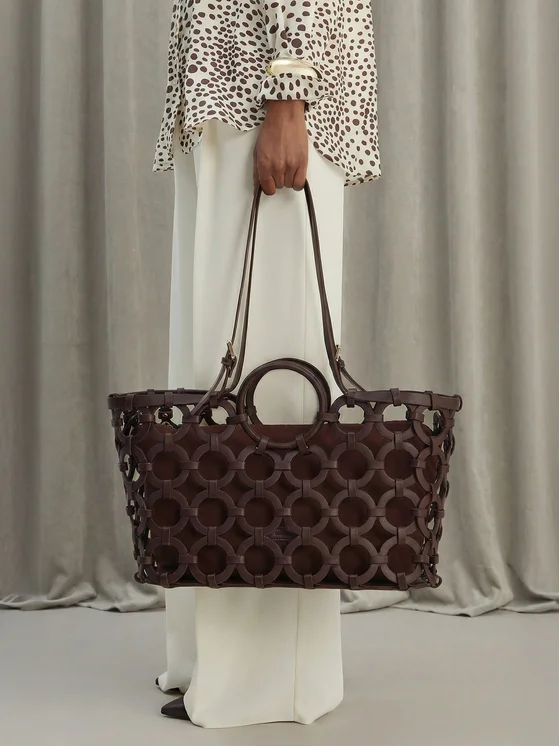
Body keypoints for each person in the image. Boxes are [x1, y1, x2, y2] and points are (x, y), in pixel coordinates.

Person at [152, 0, 381, 728]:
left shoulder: (280, 96)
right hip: (225, 91)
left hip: (266, 91)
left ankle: (261, 680)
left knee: (269, 397)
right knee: (212, 389)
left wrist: (288, 95)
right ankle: (207, 659)